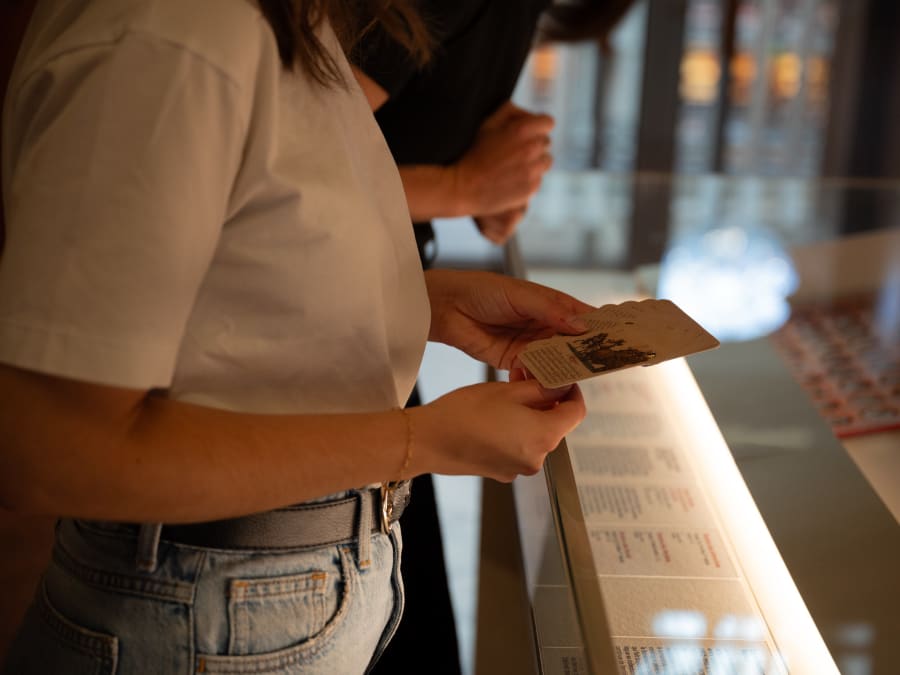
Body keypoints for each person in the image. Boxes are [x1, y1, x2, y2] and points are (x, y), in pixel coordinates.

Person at [0, 0, 591, 673]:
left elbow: (230, 268)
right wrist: (426, 440)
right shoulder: (177, 36)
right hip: (206, 611)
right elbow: (52, 446)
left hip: (247, 600)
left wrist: (419, 300)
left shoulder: (278, 23)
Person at [352, 2, 636, 671]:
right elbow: (279, 175)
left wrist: (489, 173)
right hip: (320, 329)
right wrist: (463, 186)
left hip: (364, 308)